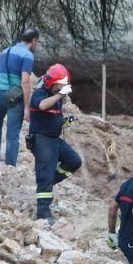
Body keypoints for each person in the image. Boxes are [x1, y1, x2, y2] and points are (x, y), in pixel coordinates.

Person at [27, 63, 81, 222]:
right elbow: (43, 105)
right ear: (53, 82)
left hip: (54, 139)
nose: (64, 87)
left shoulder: (56, 97)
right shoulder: (39, 94)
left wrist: (64, 122)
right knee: (44, 175)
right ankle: (43, 213)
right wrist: (60, 95)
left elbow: (50, 118)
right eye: (62, 84)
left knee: (74, 161)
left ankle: (49, 180)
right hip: (42, 140)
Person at [0, 28, 39, 165]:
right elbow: (25, 81)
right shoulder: (28, 55)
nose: (36, 45)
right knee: (13, 133)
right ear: (33, 41)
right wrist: (27, 106)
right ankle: (10, 165)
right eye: (37, 42)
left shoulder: (5, 51)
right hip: (14, 97)